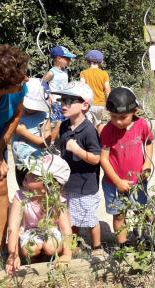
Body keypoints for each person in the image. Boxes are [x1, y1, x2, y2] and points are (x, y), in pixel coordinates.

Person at [0, 43, 29, 254]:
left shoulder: (17, 91)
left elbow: (16, 115)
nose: (25, 81)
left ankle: (1, 248)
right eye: (18, 80)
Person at [52, 81, 102, 253]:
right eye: (62, 100)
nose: (63, 105)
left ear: (84, 105)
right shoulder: (64, 125)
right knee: (71, 218)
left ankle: (97, 247)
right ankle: (74, 247)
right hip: (69, 181)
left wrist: (77, 150)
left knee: (89, 219)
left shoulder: (89, 130)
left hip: (86, 184)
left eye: (69, 101)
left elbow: (96, 158)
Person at [100, 87, 153, 245]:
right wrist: (117, 182)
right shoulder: (108, 131)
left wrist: (147, 163)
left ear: (135, 111)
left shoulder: (142, 125)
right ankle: (122, 245)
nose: (117, 121)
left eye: (123, 117)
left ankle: (143, 240)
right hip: (114, 184)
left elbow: (149, 143)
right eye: (113, 116)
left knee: (140, 210)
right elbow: (104, 159)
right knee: (119, 215)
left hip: (138, 181)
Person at [6, 154, 73, 276]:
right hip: (30, 231)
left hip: (51, 230)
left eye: (34, 175)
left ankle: (49, 258)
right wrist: (12, 255)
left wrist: (67, 254)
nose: (27, 174)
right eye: (29, 171)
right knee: (30, 249)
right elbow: (13, 228)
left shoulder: (56, 199)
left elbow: (65, 228)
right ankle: (32, 261)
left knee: (51, 246)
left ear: (48, 184)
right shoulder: (20, 197)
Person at [12, 78, 51, 187]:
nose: (31, 109)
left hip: (37, 163)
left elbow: (45, 142)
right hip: (19, 164)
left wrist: (24, 133)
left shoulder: (43, 116)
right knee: (23, 191)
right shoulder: (16, 113)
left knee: (37, 193)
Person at [42, 46, 76, 143]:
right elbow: (43, 83)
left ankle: (63, 141)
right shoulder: (52, 72)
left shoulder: (65, 71)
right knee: (60, 122)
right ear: (58, 58)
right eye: (67, 58)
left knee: (65, 121)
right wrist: (49, 95)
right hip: (56, 101)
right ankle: (50, 143)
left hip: (64, 100)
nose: (69, 61)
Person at [80, 50, 111, 123]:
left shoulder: (83, 73)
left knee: (88, 125)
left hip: (88, 104)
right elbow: (107, 89)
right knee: (99, 124)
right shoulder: (104, 74)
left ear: (87, 62)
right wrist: (109, 102)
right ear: (101, 62)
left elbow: (82, 88)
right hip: (100, 104)